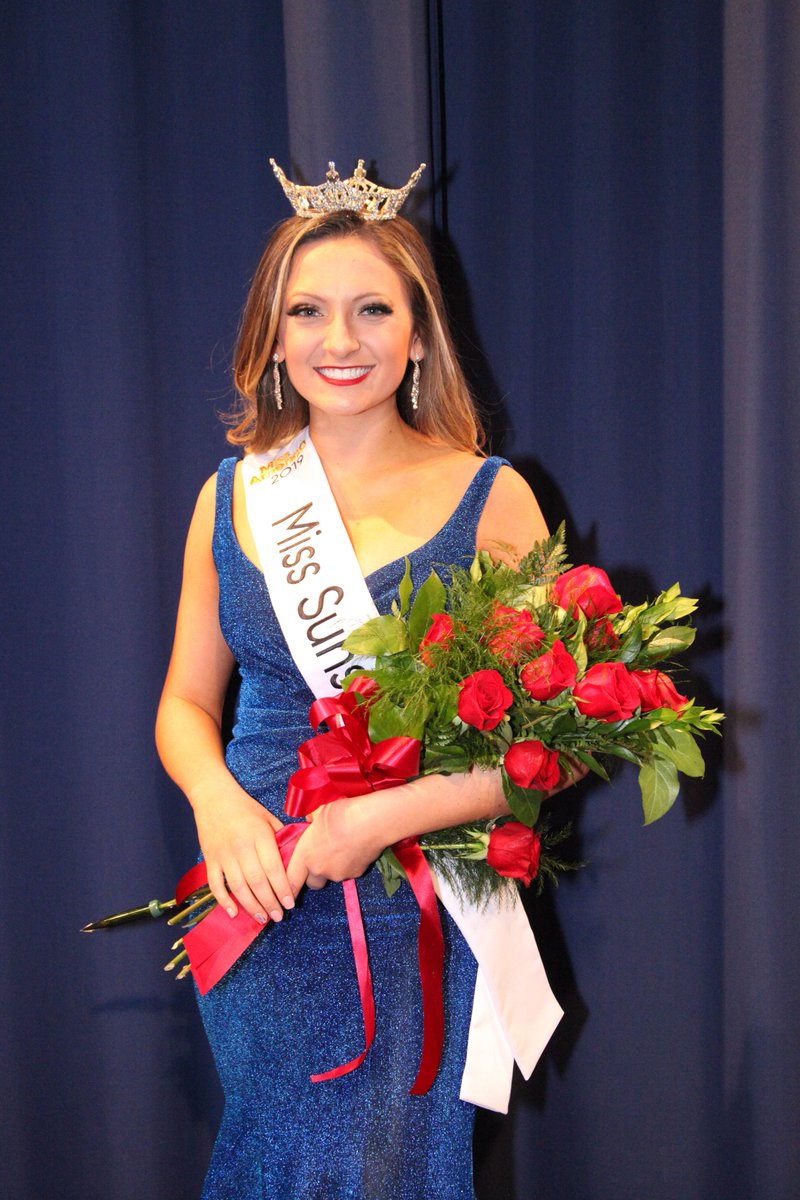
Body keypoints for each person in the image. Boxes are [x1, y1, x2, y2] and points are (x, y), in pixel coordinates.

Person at [155, 160, 573, 1200]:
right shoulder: (232, 498)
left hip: (410, 903)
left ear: (420, 332)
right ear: (273, 335)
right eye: (307, 312)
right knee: (283, 1155)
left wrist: (377, 821)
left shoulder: (493, 499)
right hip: (260, 885)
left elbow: (547, 748)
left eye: (371, 309)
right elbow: (183, 705)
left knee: (382, 1166)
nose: (338, 342)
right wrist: (215, 807)